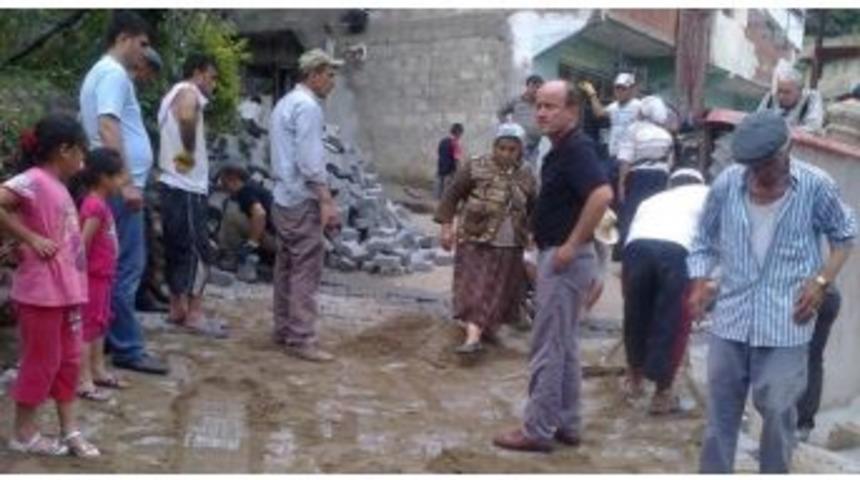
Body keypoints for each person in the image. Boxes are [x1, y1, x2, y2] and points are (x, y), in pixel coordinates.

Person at [687, 110, 857, 473]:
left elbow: (845, 235)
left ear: (788, 149)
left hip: (786, 322)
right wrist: (699, 282)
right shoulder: (728, 184)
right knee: (720, 417)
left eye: (767, 164)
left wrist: (821, 281)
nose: (759, 175)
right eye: (753, 167)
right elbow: (702, 240)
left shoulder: (816, 186)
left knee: (778, 412)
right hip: (731, 320)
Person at [494, 80, 613, 453]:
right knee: (565, 345)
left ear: (573, 112)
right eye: (539, 106)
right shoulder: (561, 149)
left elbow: (602, 195)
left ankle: (537, 429)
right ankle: (567, 422)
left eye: (551, 106)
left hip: (565, 261)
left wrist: (573, 243)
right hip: (561, 257)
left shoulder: (576, 148)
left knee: (546, 346)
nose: (542, 112)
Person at [0, 115, 100, 457]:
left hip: (66, 291)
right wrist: (29, 237)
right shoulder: (35, 180)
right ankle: (23, 433)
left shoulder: (56, 186)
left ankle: (70, 432)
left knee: (69, 361)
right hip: (42, 293)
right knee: (41, 362)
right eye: (81, 153)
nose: (83, 161)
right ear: (63, 150)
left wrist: (24, 236)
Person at [78, 10, 168, 375]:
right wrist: (127, 181)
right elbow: (108, 125)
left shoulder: (99, 73)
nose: (143, 53)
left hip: (110, 184)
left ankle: (112, 340)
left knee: (110, 268)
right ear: (124, 38)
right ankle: (128, 347)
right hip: (118, 188)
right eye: (142, 44)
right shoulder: (114, 74)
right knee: (125, 268)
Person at [434, 123, 537, 354]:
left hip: (510, 245)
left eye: (512, 149)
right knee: (476, 289)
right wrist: (446, 228)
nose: (506, 154)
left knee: (499, 291)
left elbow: (535, 208)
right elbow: (451, 196)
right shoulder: (476, 165)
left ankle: (484, 330)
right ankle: (473, 339)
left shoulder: (528, 174)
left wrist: (532, 234)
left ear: (520, 150)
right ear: (494, 147)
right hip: (475, 239)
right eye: (502, 148)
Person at [269, 48, 343, 362]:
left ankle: (284, 328)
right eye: (329, 74)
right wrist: (326, 199)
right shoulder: (308, 107)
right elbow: (309, 159)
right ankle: (300, 336)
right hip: (301, 197)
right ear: (313, 75)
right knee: (305, 268)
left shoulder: (284, 104)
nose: (332, 81)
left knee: (286, 265)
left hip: (283, 195)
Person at [621, 167, 709, 415]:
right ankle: (662, 393)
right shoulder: (708, 194)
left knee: (636, 315)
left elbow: (631, 236)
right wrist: (706, 283)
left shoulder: (652, 200)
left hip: (637, 248)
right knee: (671, 320)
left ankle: (634, 379)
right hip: (676, 250)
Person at [156, 53, 225, 338]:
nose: (214, 83)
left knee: (177, 249)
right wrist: (188, 149)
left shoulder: (170, 95)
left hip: (173, 185)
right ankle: (194, 313)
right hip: (186, 187)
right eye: (212, 76)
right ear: (197, 73)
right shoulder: (188, 91)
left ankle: (177, 308)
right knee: (199, 251)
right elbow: (186, 115)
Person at [70, 148, 130, 403]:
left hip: (103, 276)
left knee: (100, 324)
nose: (123, 180)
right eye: (118, 176)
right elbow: (82, 244)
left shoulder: (99, 203)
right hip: (92, 277)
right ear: (104, 178)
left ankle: (98, 370)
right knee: (88, 327)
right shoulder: (94, 206)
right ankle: (83, 381)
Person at [616, 96, 674, 247]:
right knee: (654, 212)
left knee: (633, 212)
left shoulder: (633, 130)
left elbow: (625, 159)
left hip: (639, 176)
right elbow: (669, 163)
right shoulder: (666, 135)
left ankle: (627, 247)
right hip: (660, 176)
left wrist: (621, 184)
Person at [796, 285, 841, 442]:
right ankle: (803, 425)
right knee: (812, 358)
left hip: (809, 296)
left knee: (804, 357)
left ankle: (798, 424)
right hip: (828, 294)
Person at [217, 162, 277, 276]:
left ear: (233, 178)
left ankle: (231, 257)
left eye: (224, 180)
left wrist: (251, 243)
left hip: (276, 242)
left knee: (231, 214)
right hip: (285, 242)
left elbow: (260, 214)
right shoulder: (254, 187)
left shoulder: (245, 191)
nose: (222, 184)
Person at [756, 66, 825, 134]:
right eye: (779, 91)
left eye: (787, 92)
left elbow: (813, 127)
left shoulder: (811, 98)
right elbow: (757, 119)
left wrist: (782, 130)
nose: (781, 96)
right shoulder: (772, 96)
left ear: (799, 91)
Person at [498, 74, 544, 167]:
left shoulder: (541, 103)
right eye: (534, 86)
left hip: (534, 145)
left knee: (530, 171)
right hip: (519, 143)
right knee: (517, 168)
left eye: (539, 87)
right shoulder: (517, 100)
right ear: (527, 86)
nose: (536, 90)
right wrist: (508, 126)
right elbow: (501, 112)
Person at [435, 123, 464, 200]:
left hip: (441, 167)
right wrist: (459, 171)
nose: (461, 136)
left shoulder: (442, 141)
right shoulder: (455, 143)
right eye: (461, 133)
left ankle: (437, 203)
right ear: (458, 132)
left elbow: (439, 153)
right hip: (450, 170)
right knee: (448, 190)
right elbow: (456, 159)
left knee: (439, 189)